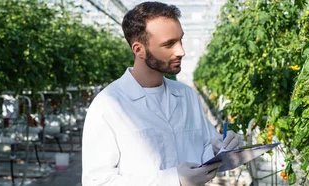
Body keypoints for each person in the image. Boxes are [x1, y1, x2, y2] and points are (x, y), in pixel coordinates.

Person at [81, 2, 243, 186]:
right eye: (169, 44)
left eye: (180, 40)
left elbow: (205, 145)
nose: (181, 51)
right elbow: (98, 181)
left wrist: (219, 149)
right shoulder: (108, 105)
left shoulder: (187, 96)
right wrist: (173, 180)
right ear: (139, 49)